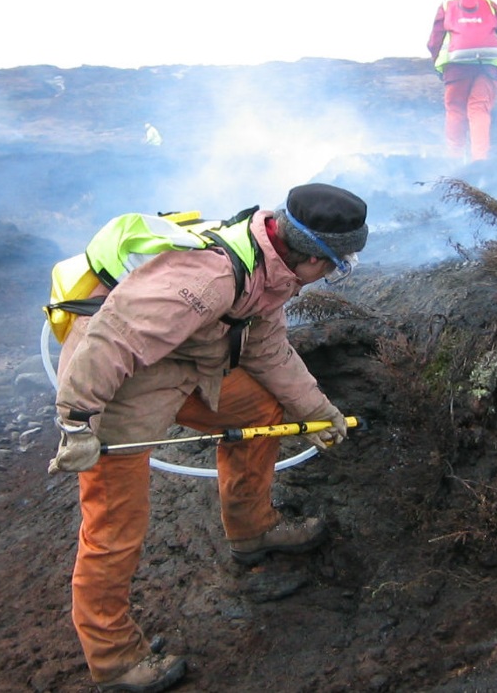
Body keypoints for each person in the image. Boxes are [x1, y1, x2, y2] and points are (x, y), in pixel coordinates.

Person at [49, 183, 368, 692]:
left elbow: (267, 349)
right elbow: (114, 339)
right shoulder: (208, 277)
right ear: (311, 256)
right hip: (121, 385)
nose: (333, 273)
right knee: (115, 525)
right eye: (336, 264)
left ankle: (253, 529)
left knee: (263, 410)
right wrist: (76, 421)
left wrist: (318, 410)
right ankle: (115, 660)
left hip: (193, 362)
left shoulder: (273, 269)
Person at [426, 0, 497, 163]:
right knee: (479, 110)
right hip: (489, 67)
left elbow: (434, 40)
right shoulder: (489, 4)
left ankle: (454, 161)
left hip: (456, 68)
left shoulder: (447, 5)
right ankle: (480, 161)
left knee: (455, 111)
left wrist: (438, 64)